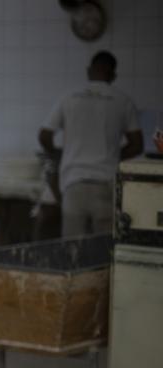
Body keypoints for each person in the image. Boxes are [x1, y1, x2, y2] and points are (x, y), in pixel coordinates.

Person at [38, 50, 143, 237]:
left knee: (72, 249)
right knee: (102, 250)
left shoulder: (68, 97)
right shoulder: (123, 101)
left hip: (73, 184)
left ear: (89, 71)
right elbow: (137, 145)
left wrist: (59, 154)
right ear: (113, 75)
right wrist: (113, 155)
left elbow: (45, 136)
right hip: (107, 184)